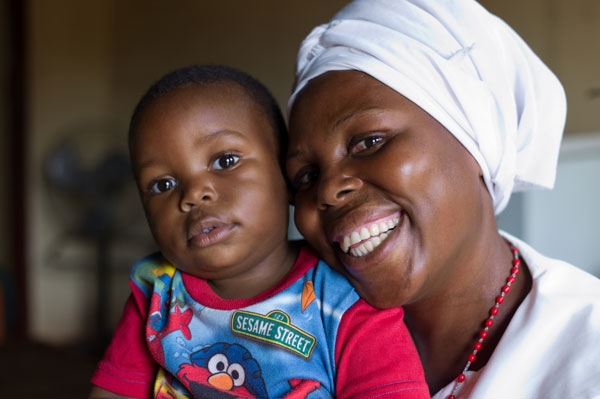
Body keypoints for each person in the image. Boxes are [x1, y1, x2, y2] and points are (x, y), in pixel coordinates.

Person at [285, 1, 600, 398]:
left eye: (369, 142)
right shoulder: (286, 346)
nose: (328, 190)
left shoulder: (587, 356)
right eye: (305, 176)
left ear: (476, 141)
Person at [89, 64, 429, 399]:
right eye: (163, 184)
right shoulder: (156, 290)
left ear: (286, 174)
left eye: (225, 161)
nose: (193, 194)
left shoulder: (344, 301)